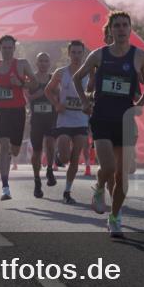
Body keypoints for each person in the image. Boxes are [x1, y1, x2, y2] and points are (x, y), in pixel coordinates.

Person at [73, 11, 144, 237]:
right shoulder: (99, 55)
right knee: (108, 168)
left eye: (124, 25)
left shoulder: (140, 56)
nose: (120, 29)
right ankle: (99, 188)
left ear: (130, 29)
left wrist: (142, 101)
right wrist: (84, 102)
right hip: (101, 117)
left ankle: (115, 217)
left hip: (125, 120)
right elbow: (76, 78)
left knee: (122, 176)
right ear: (109, 30)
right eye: (116, 25)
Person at [0, 34, 35, 200]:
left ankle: (11, 155)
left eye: (10, 48)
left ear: (14, 48)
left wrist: (20, 84)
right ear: (0, 49)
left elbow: (34, 83)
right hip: (1, 111)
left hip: (18, 111)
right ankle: (5, 186)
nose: (7, 51)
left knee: (15, 150)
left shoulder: (22, 64)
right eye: (4, 48)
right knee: (3, 146)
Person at [46, 40, 91, 205]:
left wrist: (89, 103)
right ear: (69, 53)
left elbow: (94, 92)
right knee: (65, 156)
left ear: (83, 54)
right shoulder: (61, 72)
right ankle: (59, 157)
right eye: (74, 52)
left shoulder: (89, 72)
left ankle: (67, 191)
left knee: (75, 157)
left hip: (81, 120)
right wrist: (56, 104)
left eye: (80, 52)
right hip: (64, 119)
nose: (77, 56)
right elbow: (48, 90)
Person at [27, 52, 58, 197]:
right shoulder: (31, 79)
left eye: (46, 61)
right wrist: (39, 94)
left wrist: (53, 96)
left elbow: (58, 96)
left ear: (49, 63)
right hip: (36, 119)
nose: (43, 63)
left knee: (51, 144)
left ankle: (50, 169)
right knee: (37, 152)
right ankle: (37, 180)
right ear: (36, 63)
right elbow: (27, 98)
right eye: (41, 61)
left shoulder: (53, 78)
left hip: (51, 117)